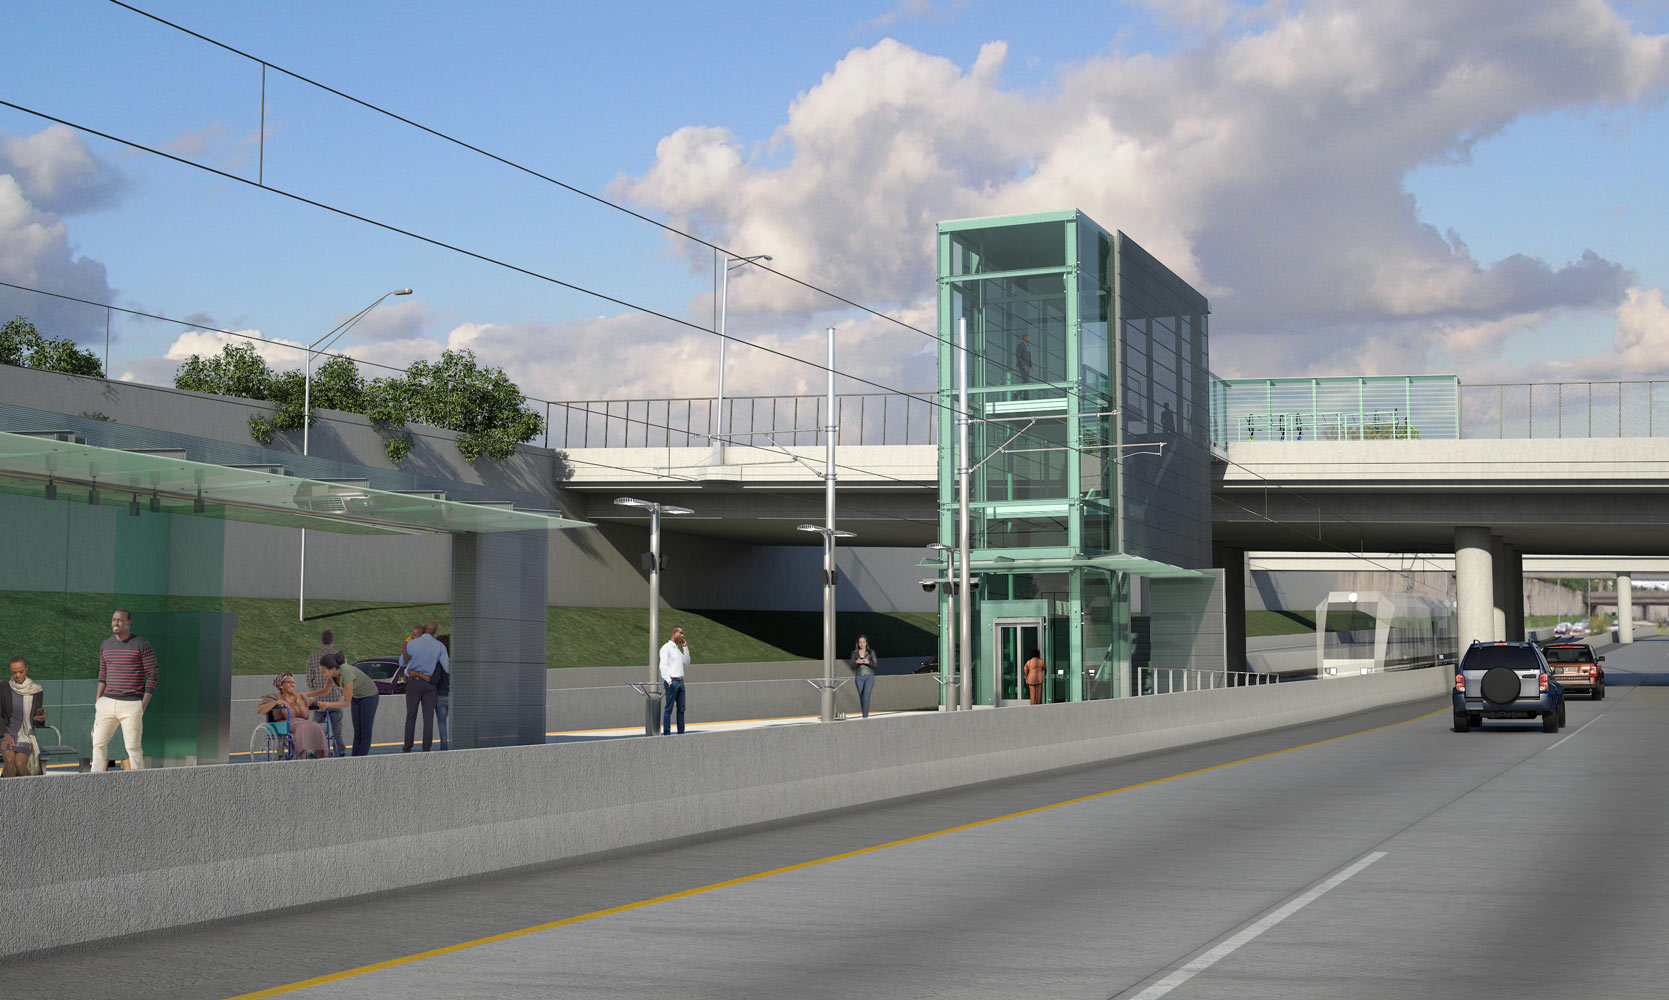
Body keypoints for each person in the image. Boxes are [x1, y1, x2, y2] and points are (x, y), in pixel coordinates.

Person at [92, 608, 156, 771]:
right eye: (114, 619)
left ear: (129, 622)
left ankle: (137, 783)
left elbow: (152, 675)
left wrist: (142, 706)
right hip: (107, 702)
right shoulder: (105, 644)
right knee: (98, 743)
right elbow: (102, 674)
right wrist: (98, 701)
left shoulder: (142, 644)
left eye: (120, 620)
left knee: (133, 748)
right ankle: (94, 779)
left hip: (131, 704)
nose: (116, 623)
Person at [314, 653, 379, 756]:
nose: (323, 674)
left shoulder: (347, 674)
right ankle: (354, 760)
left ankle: (361, 760)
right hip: (357, 697)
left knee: (365, 732)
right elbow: (325, 690)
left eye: (324, 672)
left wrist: (327, 704)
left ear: (333, 669)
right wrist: (305, 694)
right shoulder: (332, 675)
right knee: (357, 732)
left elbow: (346, 703)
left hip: (369, 696)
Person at [255, 673, 328, 759]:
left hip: (303, 722)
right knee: (303, 727)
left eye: (293, 682)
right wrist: (275, 703)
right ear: (281, 685)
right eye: (289, 682)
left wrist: (320, 704)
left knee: (315, 725)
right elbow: (260, 710)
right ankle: (302, 757)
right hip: (284, 723)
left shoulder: (301, 697)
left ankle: (321, 757)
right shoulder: (273, 697)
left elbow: (314, 703)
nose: (292, 684)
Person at [401, 623, 449, 752]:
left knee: (411, 715)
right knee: (428, 717)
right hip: (430, 685)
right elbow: (447, 668)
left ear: (424, 630)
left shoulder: (412, 644)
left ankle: (407, 747)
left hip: (413, 683)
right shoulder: (440, 646)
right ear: (435, 631)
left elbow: (402, 662)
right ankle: (426, 748)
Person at [2, 655, 46, 777]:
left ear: (26, 669)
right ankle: (8, 794)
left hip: (25, 735)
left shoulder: (36, 690)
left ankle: (33, 793)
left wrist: (41, 719)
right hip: (6, 733)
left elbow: (35, 723)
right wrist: (5, 734)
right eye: (14, 672)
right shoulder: (4, 687)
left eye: (20, 672)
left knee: (20, 763)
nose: (17, 676)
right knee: (9, 760)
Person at [304, 629, 346, 758]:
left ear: (321, 641)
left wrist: (316, 695)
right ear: (333, 641)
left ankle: (317, 752)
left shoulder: (313, 657)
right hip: (335, 701)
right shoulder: (340, 657)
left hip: (320, 702)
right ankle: (340, 751)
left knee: (317, 729)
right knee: (337, 730)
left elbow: (309, 680)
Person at [659, 625, 689, 735]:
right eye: (680, 633)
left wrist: (685, 647)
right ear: (674, 633)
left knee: (681, 709)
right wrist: (668, 680)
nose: (682, 635)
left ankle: (681, 732)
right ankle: (667, 733)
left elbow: (687, 661)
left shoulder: (677, 649)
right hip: (672, 682)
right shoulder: (666, 648)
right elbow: (663, 664)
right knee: (669, 708)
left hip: (681, 682)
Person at [849, 634, 879, 719]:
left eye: (863, 642)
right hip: (859, 677)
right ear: (857, 643)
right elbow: (852, 667)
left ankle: (865, 717)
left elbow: (876, 665)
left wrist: (868, 662)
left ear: (866, 643)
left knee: (866, 696)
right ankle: (864, 715)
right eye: (860, 642)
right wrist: (856, 662)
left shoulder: (871, 652)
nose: (862, 644)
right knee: (862, 697)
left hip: (869, 676)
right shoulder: (854, 653)